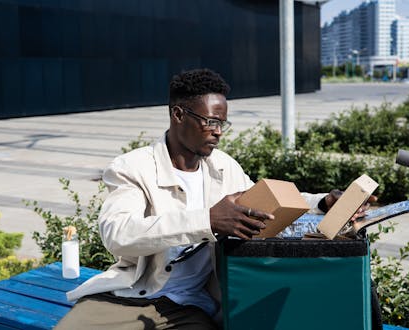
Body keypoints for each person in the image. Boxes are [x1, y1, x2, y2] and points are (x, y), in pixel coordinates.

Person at [56, 68, 372, 330]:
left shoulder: (224, 167)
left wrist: (322, 202)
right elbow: (119, 235)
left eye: (222, 123)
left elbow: (270, 198)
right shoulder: (132, 168)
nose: (218, 132)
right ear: (178, 114)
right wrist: (207, 220)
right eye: (211, 121)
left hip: (193, 306)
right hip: (132, 296)